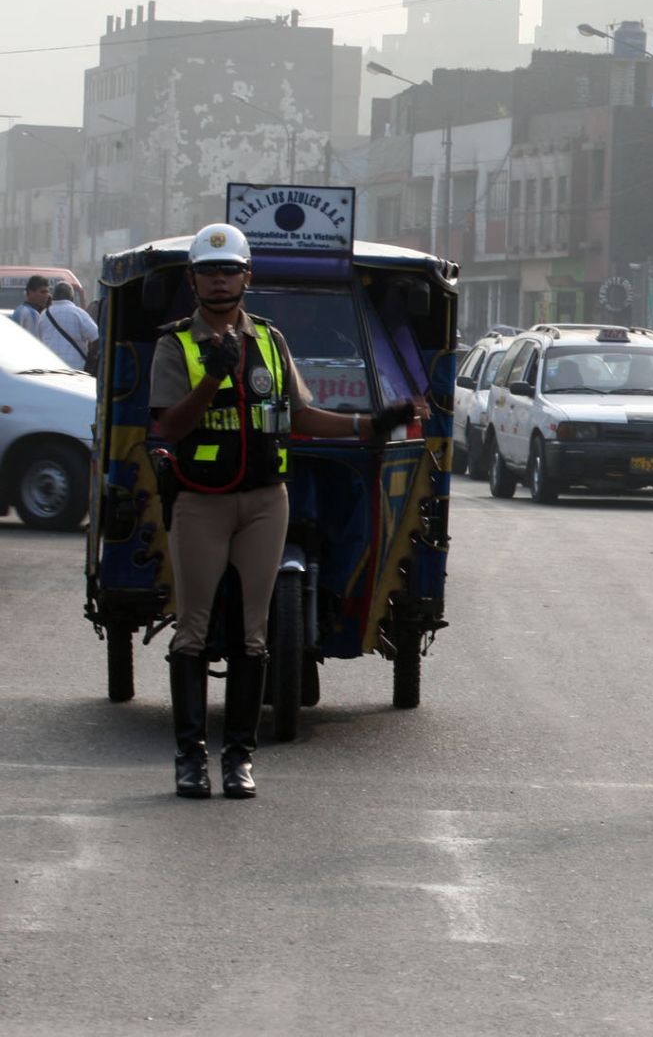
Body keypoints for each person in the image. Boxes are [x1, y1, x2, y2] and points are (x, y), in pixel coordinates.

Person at [149, 223, 417, 800]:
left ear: (247, 277)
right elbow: (168, 425)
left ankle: (239, 758)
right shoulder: (176, 345)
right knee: (193, 630)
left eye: (229, 271)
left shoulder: (269, 340)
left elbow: (300, 414)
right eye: (208, 271)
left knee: (253, 632)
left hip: (267, 498)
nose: (219, 281)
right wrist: (215, 375)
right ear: (193, 280)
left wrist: (369, 425)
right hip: (201, 500)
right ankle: (191, 758)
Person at [18, 278, 97, 371]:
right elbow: (96, 338)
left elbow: (39, 341)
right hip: (76, 370)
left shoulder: (44, 315)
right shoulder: (79, 313)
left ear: (53, 297)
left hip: (50, 369)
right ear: (71, 297)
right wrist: (91, 359)